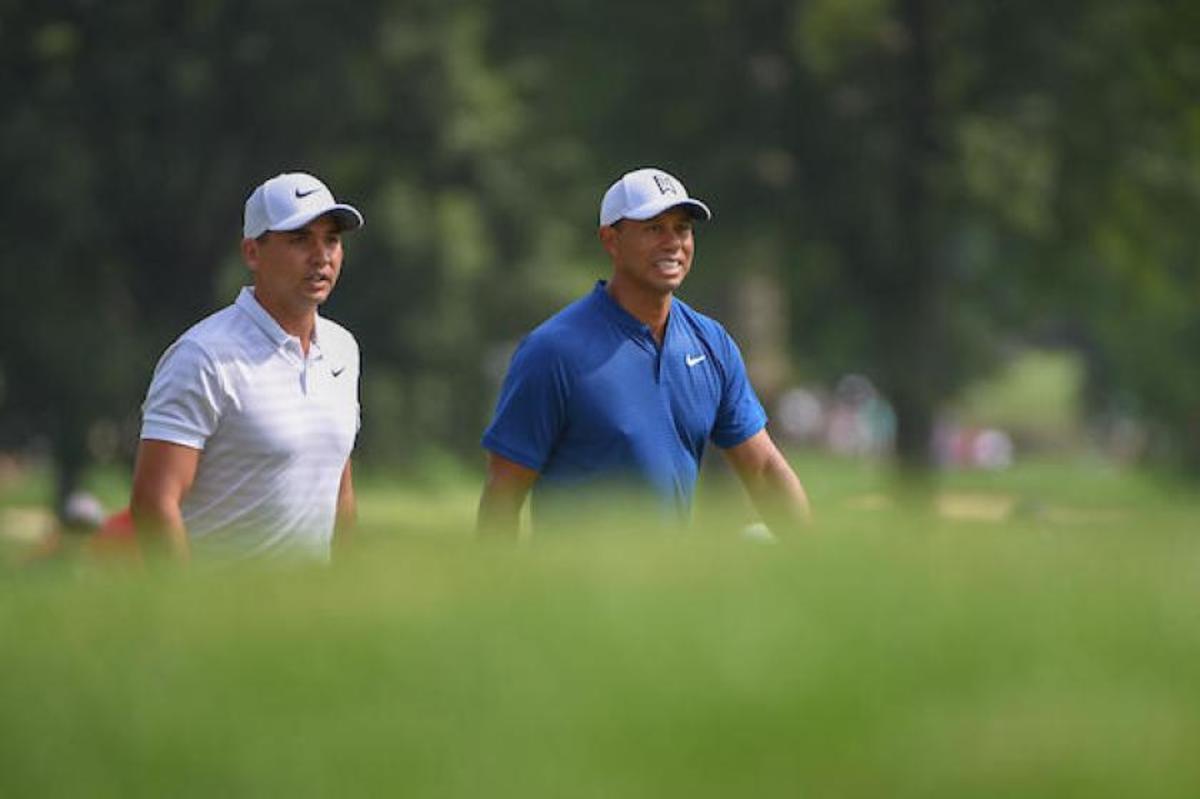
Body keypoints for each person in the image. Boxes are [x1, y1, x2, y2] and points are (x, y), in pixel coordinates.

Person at [477, 166, 810, 537]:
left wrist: (813, 562)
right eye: (654, 228)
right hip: (575, 587)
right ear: (611, 240)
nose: (673, 243)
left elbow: (763, 469)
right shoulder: (553, 351)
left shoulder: (711, 344)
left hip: (666, 588)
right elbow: (503, 493)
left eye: (682, 229)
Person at [130, 172, 364, 562]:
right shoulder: (202, 356)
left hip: (313, 617)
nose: (321, 255)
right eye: (299, 239)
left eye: (332, 240)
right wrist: (189, 611)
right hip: (223, 614)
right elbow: (154, 503)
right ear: (252, 252)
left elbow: (340, 491)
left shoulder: (343, 349)